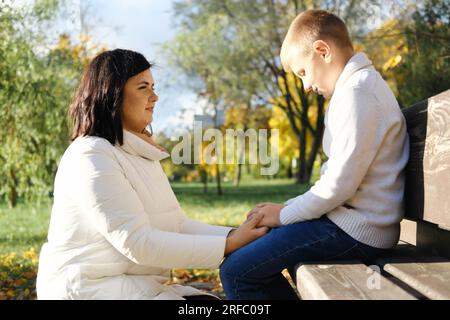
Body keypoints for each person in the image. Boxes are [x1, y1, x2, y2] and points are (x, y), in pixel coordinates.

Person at [36, 49, 268, 300]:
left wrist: (234, 235)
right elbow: (136, 242)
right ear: (111, 94)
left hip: (133, 285)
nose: (154, 97)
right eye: (143, 87)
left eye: (153, 87)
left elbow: (177, 226)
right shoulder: (90, 155)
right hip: (88, 290)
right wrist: (228, 245)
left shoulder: (136, 151)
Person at [219, 9, 410, 300]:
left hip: (358, 232)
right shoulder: (354, 90)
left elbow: (338, 186)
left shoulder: (358, 93)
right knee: (248, 253)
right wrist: (287, 207)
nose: (306, 86)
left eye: (303, 73)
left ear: (322, 50)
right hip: (348, 223)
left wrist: (283, 215)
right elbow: (337, 180)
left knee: (237, 271)